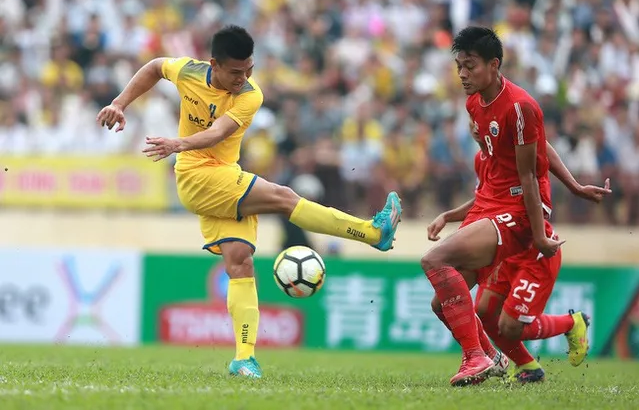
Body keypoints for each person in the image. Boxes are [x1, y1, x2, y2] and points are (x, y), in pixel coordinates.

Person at [96, 25, 402, 378]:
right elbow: (153, 66)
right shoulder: (188, 71)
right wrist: (119, 103)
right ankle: (372, 232)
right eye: (236, 72)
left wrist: (177, 143)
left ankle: (244, 358)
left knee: (240, 263)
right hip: (197, 176)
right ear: (214, 64)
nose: (245, 78)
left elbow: (218, 133)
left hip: (220, 175)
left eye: (249, 69)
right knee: (285, 198)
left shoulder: (250, 95)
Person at [420, 25, 571, 386]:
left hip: (518, 211)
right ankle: (492, 357)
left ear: (494, 64)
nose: (462, 74)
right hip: (490, 205)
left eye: (469, 66)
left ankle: (477, 357)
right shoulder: (474, 103)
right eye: (458, 66)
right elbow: (499, 167)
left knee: (434, 260)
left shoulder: (521, 107)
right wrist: (451, 214)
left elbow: (529, 176)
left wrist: (539, 234)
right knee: (441, 304)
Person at [428, 135, 611, 384]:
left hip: (533, 248)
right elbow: (484, 199)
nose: (475, 126)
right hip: (503, 248)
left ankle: (571, 322)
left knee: (510, 326)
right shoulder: (482, 158)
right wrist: (448, 216)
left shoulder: (515, 145)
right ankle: (525, 365)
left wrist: (575, 187)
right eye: (472, 122)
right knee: (483, 312)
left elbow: (541, 150)